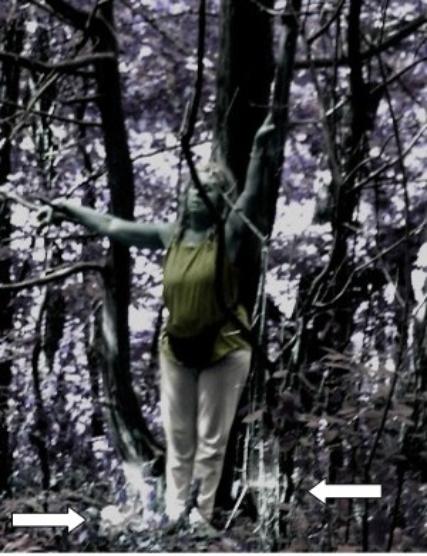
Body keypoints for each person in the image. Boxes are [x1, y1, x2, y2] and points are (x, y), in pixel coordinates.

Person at [37, 115, 275, 527]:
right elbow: (113, 225)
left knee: (211, 441)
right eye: (194, 187)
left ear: (221, 200)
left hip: (225, 346)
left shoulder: (229, 236)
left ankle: (198, 520)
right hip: (177, 348)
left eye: (210, 188)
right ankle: (174, 517)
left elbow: (252, 196)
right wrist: (70, 211)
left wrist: (258, 150)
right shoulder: (171, 235)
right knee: (179, 439)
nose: (199, 194)